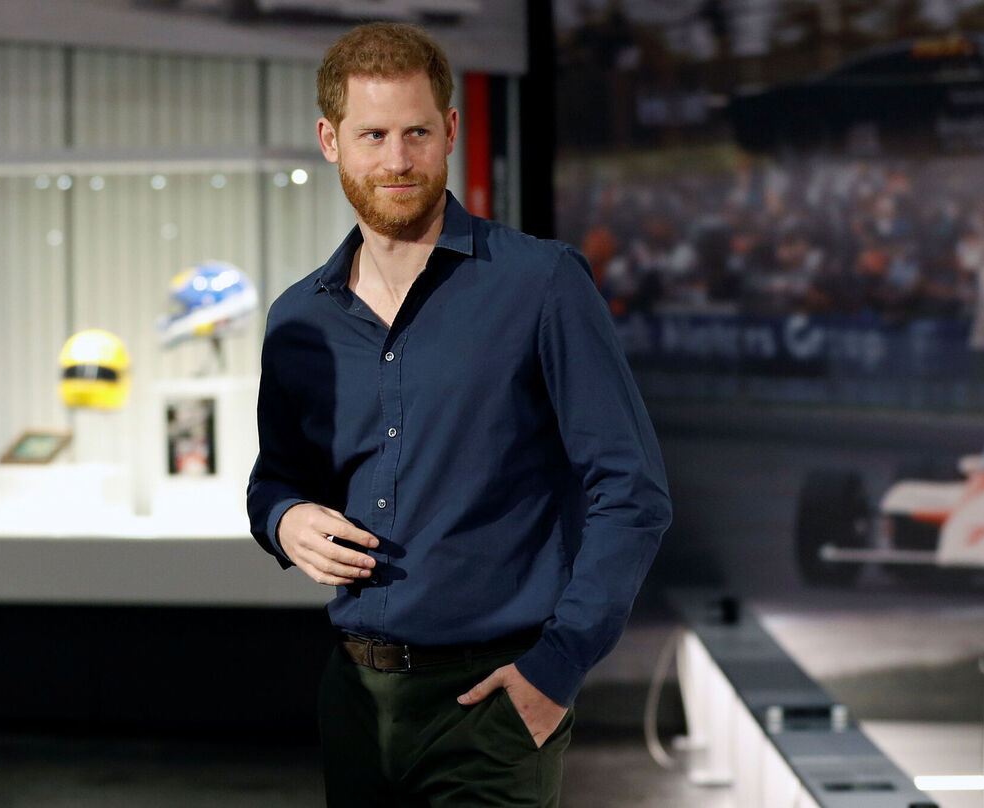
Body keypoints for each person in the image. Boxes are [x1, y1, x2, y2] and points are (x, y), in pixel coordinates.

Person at [246, 22, 671, 807]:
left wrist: (558, 667)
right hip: (355, 697)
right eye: (373, 135)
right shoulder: (299, 319)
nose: (397, 161)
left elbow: (632, 489)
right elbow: (275, 479)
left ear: (449, 130)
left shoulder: (542, 283)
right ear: (331, 141)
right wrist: (283, 519)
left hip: (494, 701)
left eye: (416, 133)